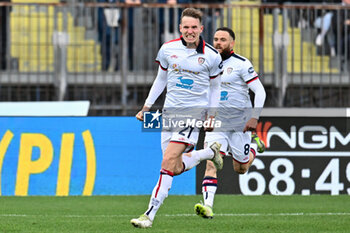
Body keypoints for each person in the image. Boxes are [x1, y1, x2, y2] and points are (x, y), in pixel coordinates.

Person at [130, 8, 224, 228]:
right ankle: (210, 152)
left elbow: (216, 87)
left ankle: (149, 215)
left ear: (201, 29)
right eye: (186, 27)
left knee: (167, 161)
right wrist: (146, 106)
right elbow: (160, 80)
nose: (190, 31)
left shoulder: (211, 56)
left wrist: (211, 115)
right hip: (169, 114)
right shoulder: (167, 49)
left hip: (193, 116)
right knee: (173, 166)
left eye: (194, 27)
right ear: (180, 28)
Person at [186, 27, 266, 219]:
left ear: (232, 43)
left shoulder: (241, 64)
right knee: (211, 163)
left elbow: (260, 91)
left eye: (223, 39)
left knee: (241, 169)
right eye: (215, 39)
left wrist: (254, 117)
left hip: (240, 124)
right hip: (217, 123)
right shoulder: (205, 64)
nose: (218, 43)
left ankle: (254, 145)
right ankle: (207, 206)